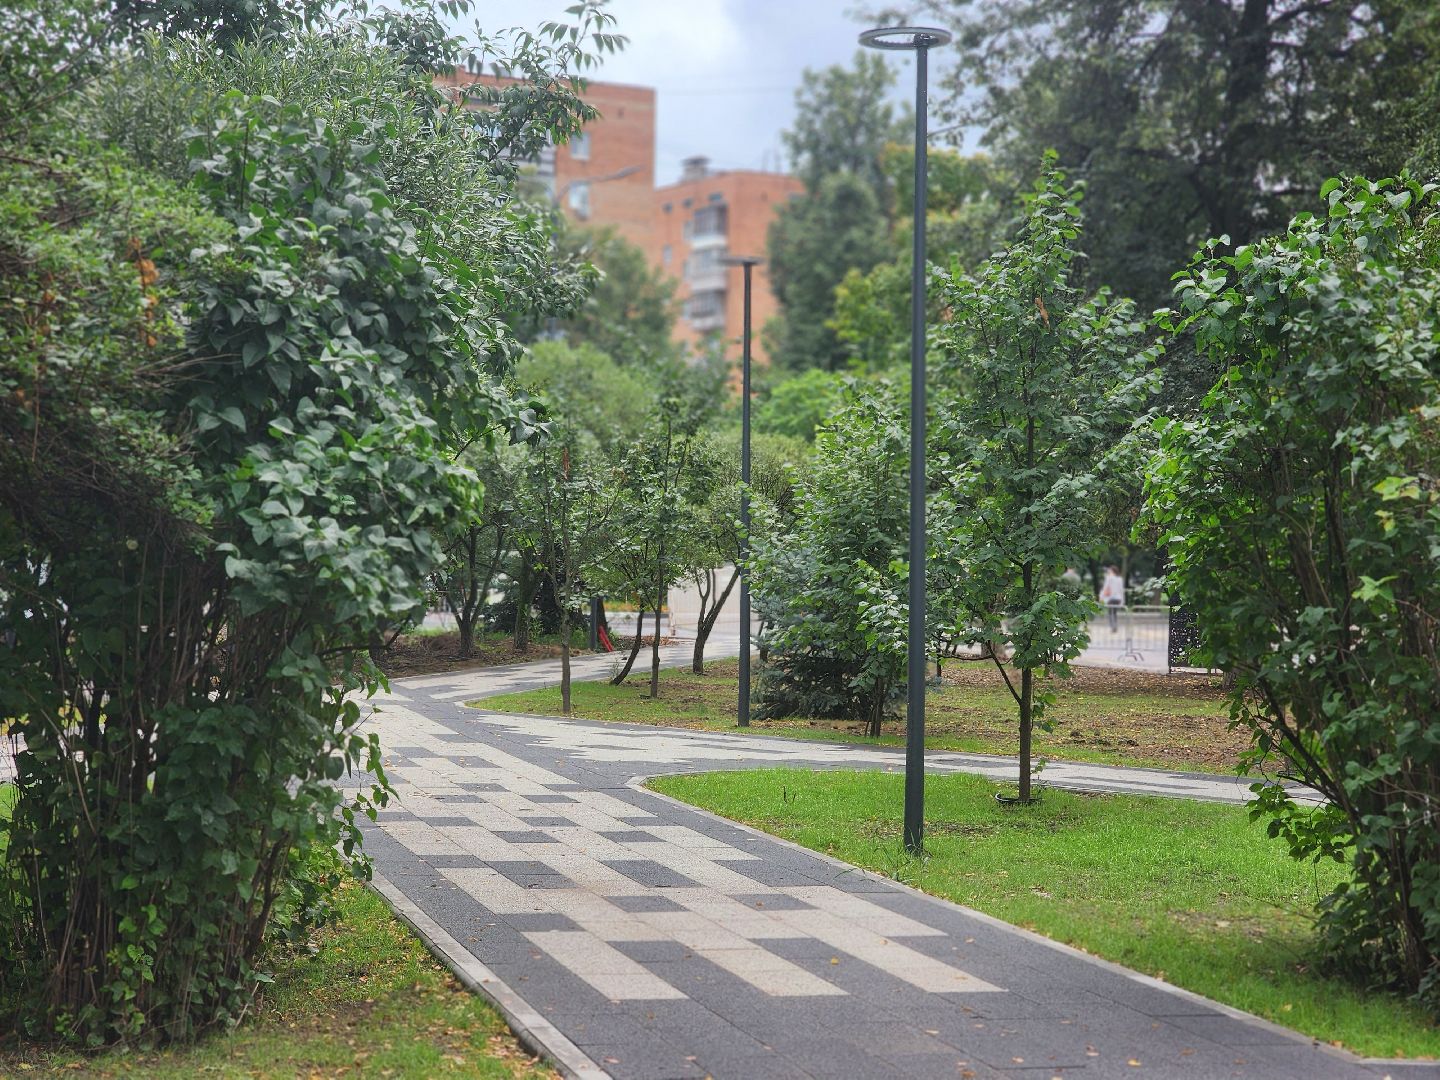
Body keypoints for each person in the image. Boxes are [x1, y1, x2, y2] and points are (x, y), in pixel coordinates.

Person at [1099, 565, 1126, 632]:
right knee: (1114, 613)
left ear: (1112, 571)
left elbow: (1105, 588)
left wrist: (1101, 597)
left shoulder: (1109, 578)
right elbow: (1121, 590)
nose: (1108, 571)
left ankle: (1113, 627)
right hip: (1118, 599)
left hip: (1111, 598)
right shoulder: (1120, 579)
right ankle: (1115, 626)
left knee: (1110, 612)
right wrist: (1122, 601)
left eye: (1109, 570)